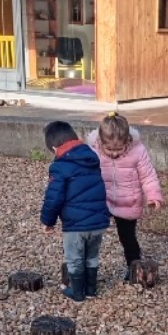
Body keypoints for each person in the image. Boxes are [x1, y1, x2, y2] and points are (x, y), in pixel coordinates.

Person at [86, 112, 164, 281]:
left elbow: (148, 176)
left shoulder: (138, 151)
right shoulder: (94, 150)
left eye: (119, 149)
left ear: (128, 141)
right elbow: (85, 173)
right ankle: (86, 267)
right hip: (102, 200)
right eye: (109, 149)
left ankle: (133, 266)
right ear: (100, 142)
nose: (114, 154)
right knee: (91, 234)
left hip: (128, 202)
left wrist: (153, 196)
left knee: (127, 238)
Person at [40, 121, 111, 301]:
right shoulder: (91, 158)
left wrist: (48, 221)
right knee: (92, 256)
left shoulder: (60, 167)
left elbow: (54, 197)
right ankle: (91, 290)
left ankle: (78, 293)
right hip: (98, 222)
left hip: (75, 225)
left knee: (74, 258)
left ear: (56, 147)